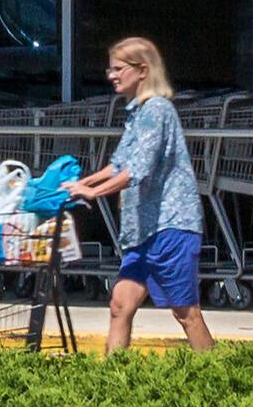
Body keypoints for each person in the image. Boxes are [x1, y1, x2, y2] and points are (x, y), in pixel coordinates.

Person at [73, 33, 215, 352]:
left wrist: (94, 194)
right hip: (143, 231)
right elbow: (117, 165)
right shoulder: (136, 114)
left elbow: (137, 170)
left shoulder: (157, 111)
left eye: (118, 68)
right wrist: (81, 185)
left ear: (142, 70)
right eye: (110, 69)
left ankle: (218, 377)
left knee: (185, 313)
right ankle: (114, 384)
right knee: (120, 305)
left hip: (171, 226)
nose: (111, 75)